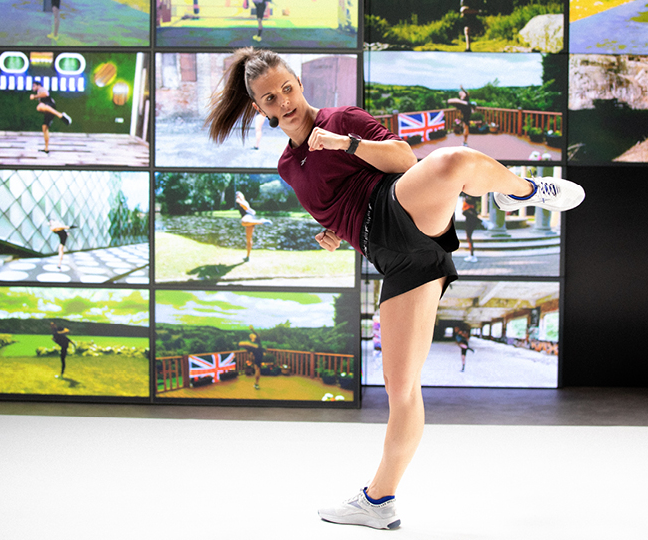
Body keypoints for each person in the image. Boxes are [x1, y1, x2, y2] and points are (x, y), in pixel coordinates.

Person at [204, 47, 584, 530]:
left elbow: (404, 157)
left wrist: (345, 143)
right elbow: (332, 208)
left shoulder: (343, 119)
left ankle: (523, 191)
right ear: (259, 108)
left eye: (287, 89)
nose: (284, 101)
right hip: (396, 256)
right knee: (401, 389)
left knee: (454, 162)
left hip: (397, 207)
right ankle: (378, 501)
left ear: (299, 84)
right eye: (269, 98)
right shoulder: (287, 167)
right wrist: (333, 236)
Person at [29, 81, 72, 154]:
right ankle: (46, 148)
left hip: (50, 105)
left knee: (39, 107)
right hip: (48, 110)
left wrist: (35, 96)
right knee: (44, 127)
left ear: (38, 85)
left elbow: (46, 94)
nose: (33, 88)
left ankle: (60, 115)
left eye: (34, 86)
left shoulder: (41, 89)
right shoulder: (39, 93)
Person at [235, 191, 272, 261]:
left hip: (249, 217)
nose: (238, 197)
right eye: (237, 196)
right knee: (249, 239)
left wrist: (240, 202)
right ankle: (247, 257)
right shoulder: (242, 202)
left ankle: (262, 221)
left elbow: (245, 207)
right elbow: (250, 210)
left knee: (243, 222)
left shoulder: (244, 202)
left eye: (240, 196)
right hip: (250, 220)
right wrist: (252, 210)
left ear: (243, 197)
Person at [461, 194, 481, 262]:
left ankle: (472, 255)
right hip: (471, 221)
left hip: (470, 221)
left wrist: (465, 211)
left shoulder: (468, 204)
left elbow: (465, 212)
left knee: (469, 237)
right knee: (469, 238)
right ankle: (471, 254)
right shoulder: (472, 203)